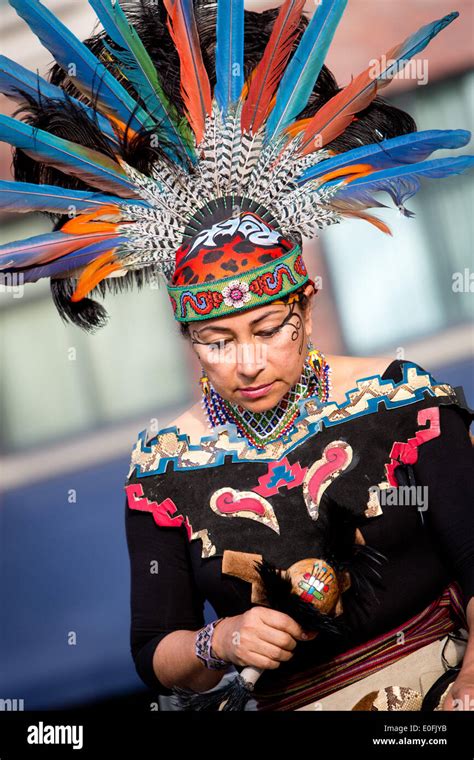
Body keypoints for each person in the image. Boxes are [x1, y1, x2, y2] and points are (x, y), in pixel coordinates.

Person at [1, 0, 473, 711]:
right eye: (216, 342)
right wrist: (218, 644)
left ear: (306, 305)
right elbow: (154, 654)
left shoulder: (405, 407)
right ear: (187, 336)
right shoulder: (165, 467)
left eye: (269, 328)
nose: (246, 362)